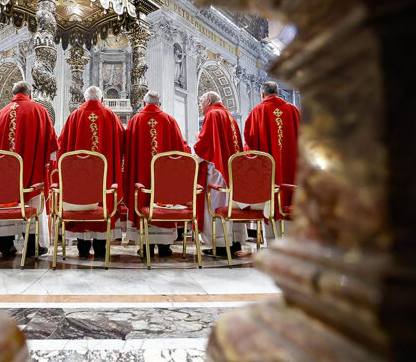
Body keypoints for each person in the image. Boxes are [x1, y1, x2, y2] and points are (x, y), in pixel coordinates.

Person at [0, 81, 59, 258]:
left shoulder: (1, 113)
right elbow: (52, 144)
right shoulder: (39, 110)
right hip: (31, 169)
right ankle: (31, 246)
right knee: (32, 200)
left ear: (13, 93)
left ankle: (5, 245)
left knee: (6, 202)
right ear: (30, 93)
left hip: (4, 172)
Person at [58, 86, 125, 259]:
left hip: (78, 178)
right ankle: (101, 249)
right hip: (105, 179)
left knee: (81, 204)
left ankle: (82, 248)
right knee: (103, 205)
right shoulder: (111, 116)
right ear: (102, 99)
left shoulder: (74, 117)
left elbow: (62, 146)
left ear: (84, 99)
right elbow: (122, 142)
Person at [124, 91, 188, 258]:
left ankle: (146, 247)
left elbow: (127, 152)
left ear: (144, 103)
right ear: (159, 104)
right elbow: (180, 151)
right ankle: (165, 246)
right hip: (166, 178)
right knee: (165, 201)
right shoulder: (170, 121)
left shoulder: (135, 121)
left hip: (141, 177)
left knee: (143, 201)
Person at [244, 81, 301, 238]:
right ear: (278, 92)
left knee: (271, 199)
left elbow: (250, 140)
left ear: (262, 94)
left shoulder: (258, 111)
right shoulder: (294, 110)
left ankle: (271, 240)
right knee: (290, 198)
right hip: (292, 166)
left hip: (267, 169)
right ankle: (291, 238)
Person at [193, 91, 245, 256]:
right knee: (230, 205)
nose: (199, 105)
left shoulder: (213, 114)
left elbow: (206, 143)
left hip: (217, 169)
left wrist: (196, 145)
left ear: (208, 101)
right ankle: (235, 241)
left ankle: (222, 244)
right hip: (231, 168)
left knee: (216, 204)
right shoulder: (228, 115)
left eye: (201, 101)